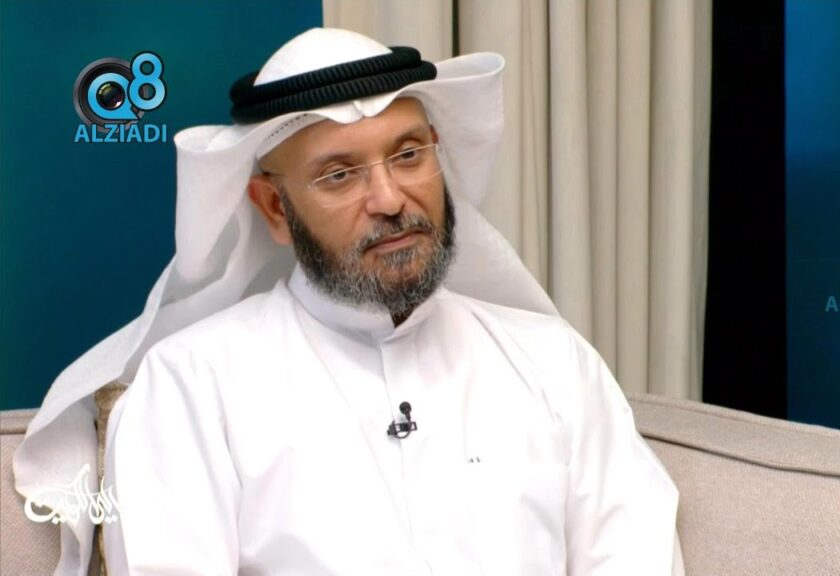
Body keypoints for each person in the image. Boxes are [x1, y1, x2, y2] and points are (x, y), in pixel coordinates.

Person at [22, 28, 684, 575]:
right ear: (274, 208)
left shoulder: (554, 365)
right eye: (339, 174)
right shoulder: (190, 387)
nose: (391, 199)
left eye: (408, 155)